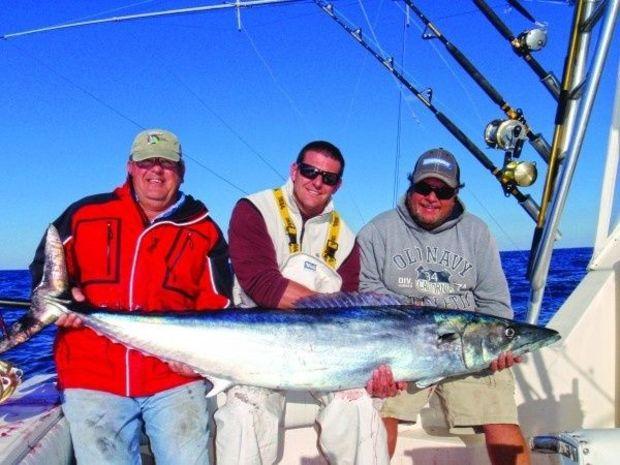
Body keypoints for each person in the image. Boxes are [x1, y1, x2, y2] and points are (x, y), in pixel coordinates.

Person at [29, 128, 233, 465]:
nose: (156, 171)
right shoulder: (84, 213)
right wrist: (62, 298)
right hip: (92, 372)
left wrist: (199, 358)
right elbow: (46, 268)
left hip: (173, 375)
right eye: (146, 162)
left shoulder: (204, 229)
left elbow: (219, 304)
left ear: (181, 172)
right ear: (130, 167)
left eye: (167, 163)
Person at [215, 140, 395, 465]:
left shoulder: (348, 240)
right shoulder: (254, 209)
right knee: (242, 413)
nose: (317, 182)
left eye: (328, 178)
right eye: (310, 171)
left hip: (328, 354)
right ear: (294, 170)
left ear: (337, 185)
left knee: (361, 410)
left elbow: (352, 314)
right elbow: (262, 284)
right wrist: (331, 308)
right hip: (259, 346)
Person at [357, 148, 530, 465]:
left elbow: (494, 301)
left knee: (501, 420)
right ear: (411, 187)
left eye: (443, 190)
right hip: (401, 349)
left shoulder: (476, 233)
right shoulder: (377, 231)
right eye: (424, 187)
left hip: (469, 348)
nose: (432, 197)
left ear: (456, 194)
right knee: (380, 418)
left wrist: (498, 346)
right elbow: (367, 294)